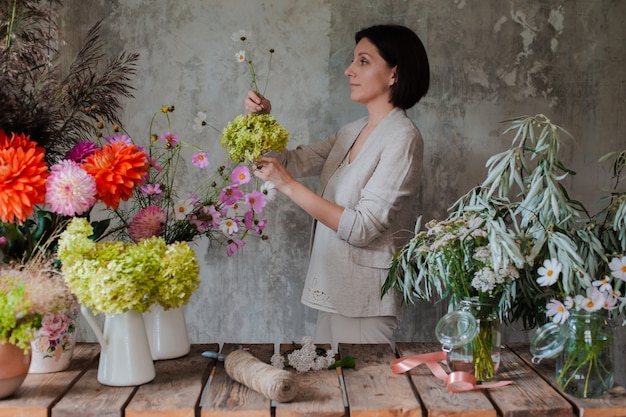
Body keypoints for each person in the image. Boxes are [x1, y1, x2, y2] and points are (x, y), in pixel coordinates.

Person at [245, 24, 430, 351]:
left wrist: (286, 186)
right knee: (332, 390)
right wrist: (262, 120)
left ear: (394, 74)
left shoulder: (403, 137)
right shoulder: (352, 131)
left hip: (365, 299)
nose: (348, 70)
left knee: (360, 396)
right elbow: (290, 161)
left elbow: (362, 228)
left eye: (363, 61)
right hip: (333, 285)